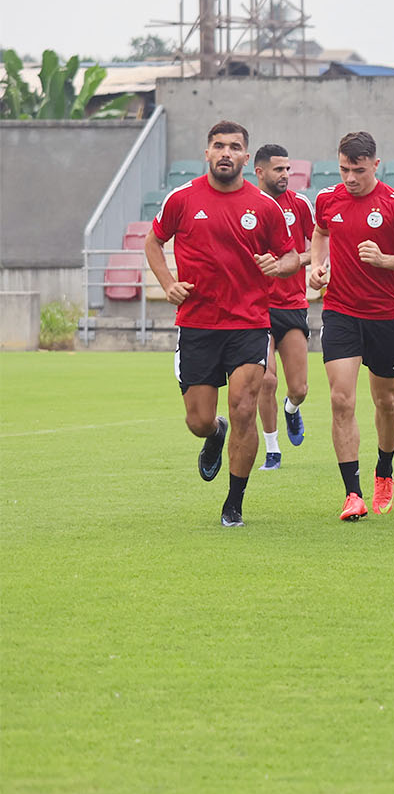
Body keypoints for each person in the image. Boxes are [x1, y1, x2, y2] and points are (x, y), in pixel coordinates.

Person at [145, 121, 297, 526]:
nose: (225, 152)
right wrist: (168, 283)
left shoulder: (264, 206)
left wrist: (278, 266)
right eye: (218, 145)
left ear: (246, 157)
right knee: (197, 421)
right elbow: (153, 241)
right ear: (207, 153)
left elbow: (291, 255)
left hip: (249, 324)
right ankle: (215, 432)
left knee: (245, 408)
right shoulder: (182, 198)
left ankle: (234, 503)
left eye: (233, 146)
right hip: (197, 324)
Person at [309, 131, 394, 522]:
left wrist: (384, 260)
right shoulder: (328, 199)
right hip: (340, 312)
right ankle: (352, 494)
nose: (350, 178)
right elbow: (320, 232)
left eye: (358, 170)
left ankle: (385, 468)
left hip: (385, 317)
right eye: (344, 169)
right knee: (341, 399)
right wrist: (317, 265)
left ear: (375, 165)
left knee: (386, 401)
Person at [250, 144, 313, 470]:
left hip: (292, 304)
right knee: (267, 380)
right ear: (260, 172)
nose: (286, 175)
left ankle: (291, 408)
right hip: (257, 308)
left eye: (288, 169)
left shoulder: (299, 204)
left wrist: (292, 262)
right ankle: (272, 450)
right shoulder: (247, 206)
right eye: (279, 169)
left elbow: (318, 246)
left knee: (299, 389)